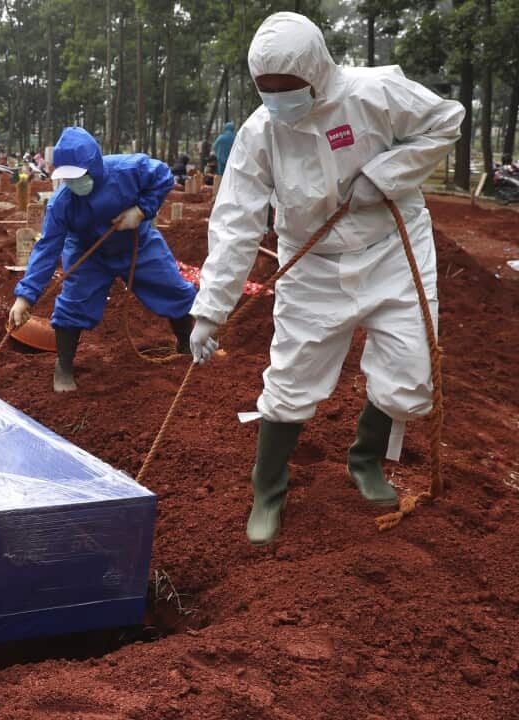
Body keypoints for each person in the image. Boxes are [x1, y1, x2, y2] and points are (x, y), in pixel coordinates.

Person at [188, 12, 463, 546]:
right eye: (266, 91)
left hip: (392, 248)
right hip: (311, 264)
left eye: (288, 89)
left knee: (412, 376)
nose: (278, 101)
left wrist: (385, 176)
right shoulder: (259, 133)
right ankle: (267, 490)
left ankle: (365, 461)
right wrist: (209, 310)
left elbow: (446, 121)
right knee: (291, 379)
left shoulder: (374, 93)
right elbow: (236, 222)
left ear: (318, 72)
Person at [8, 127, 198, 393]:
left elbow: (163, 176)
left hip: (137, 242)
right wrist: (25, 297)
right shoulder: (62, 203)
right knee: (74, 302)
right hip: (89, 253)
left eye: (79, 176)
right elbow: (47, 248)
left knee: (171, 287)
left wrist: (142, 210)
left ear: (94, 166)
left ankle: (185, 341)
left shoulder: (127, 170)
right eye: (68, 178)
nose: (74, 183)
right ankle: (64, 365)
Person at [212, 121, 236, 195]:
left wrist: (219, 155)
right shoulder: (236, 138)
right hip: (232, 162)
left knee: (221, 178)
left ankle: (219, 195)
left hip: (221, 162)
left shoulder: (220, 138)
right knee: (231, 179)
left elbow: (214, 147)